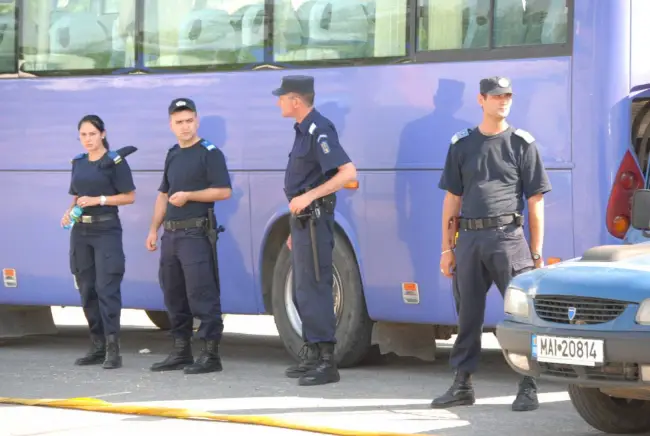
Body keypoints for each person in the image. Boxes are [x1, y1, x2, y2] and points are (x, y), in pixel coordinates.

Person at [433, 76, 551, 412]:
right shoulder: (461, 144)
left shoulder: (522, 144)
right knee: (467, 315)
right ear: (481, 100)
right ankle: (462, 385)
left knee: (519, 315)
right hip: (469, 239)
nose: (504, 101)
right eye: (497, 96)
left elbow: (535, 201)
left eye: (508, 96)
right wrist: (447, 248)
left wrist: (536, 251)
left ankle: (528, 385)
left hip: (509, 239)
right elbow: (452, 200)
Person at [272, 75, 357, 386]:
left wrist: (309, 196)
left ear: (296, 100)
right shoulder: (302, 130)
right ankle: (311, 352)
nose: (278, 101)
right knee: (301, 291)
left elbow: (348, 172)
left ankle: (326, 361)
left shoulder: (318, 128)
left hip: (315, 219)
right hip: (303, 223)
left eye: (282, 97)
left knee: (317, 289)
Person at [146, 98, 232, 375]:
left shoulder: (209, 152)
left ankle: (210, 354)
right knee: (173, 294)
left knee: (201, 293)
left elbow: (223, 191)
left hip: (195, 233)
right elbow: (163, 194)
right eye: (179, 122)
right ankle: (181, 351)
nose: (185, 126)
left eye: (189, 120)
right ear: (171, 125)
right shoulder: (172, 153)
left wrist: (190, 196)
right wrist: (153, 229)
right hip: (170, 235)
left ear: (196, 121)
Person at [63, 114, 137, 370]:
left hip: (106, 230)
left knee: (107, 289)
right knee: (87, 290)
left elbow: (129, 197)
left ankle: (113, 349)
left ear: (102, 134)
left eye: (92, 134)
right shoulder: (79, 162)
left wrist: (99, 200)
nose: (88, 140)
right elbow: (77, 196)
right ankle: (96, 345)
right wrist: (68, 212)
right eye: (83, 135)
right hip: (80, 232)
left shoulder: (114, 161)